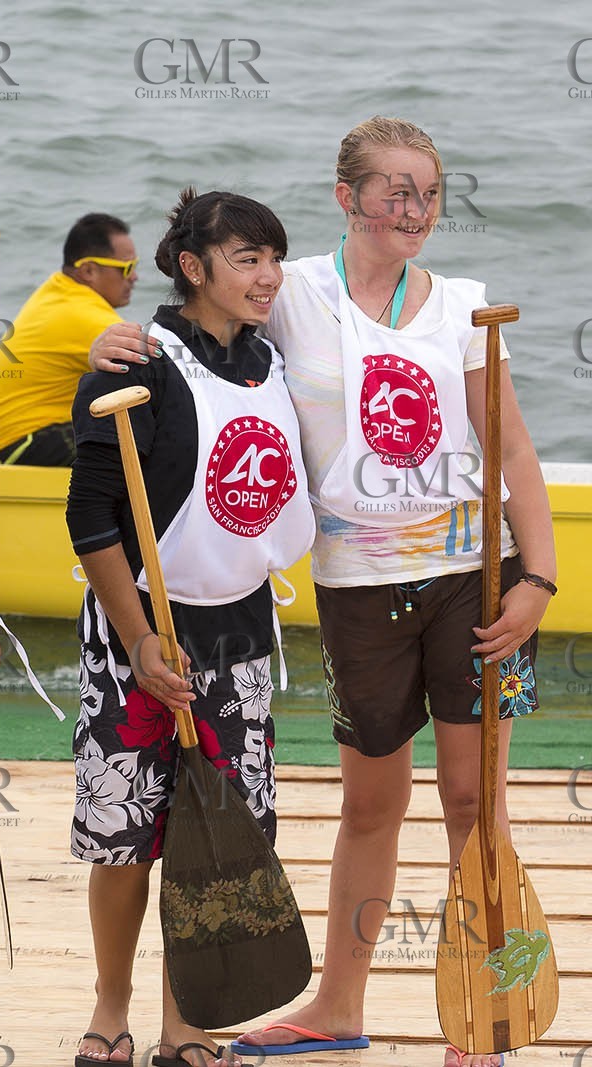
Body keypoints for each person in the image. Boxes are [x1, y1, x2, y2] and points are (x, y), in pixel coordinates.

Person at [91, 118, 556, 1067]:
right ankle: (338, 1004)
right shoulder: (291, 290)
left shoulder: (461, 306)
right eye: (392, 189)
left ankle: (485, 1009)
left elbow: (511, 451)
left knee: (476, 800)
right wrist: (109, 340)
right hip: (356, 590)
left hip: (472, 582)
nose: (413, 208)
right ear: (345, 197)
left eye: (427, 190)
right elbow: (192, 327)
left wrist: (539, 577)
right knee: (370, 805)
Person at [66, 189, 309, 1067]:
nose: (268, 276)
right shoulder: (135, 362)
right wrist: (137, 641)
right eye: (247, 258)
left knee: (218, 834)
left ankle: (187, 1018)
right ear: (193, 267)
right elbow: (89, 520)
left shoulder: (272, 358)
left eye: (275, 258)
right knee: (125, 836)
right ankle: (110, 1005)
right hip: (138, 629)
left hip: (238, 634)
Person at [0, 212, 138, 466]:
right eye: (127, 268)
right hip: (19, 446)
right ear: (88, 270)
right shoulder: (83, 315)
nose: (134, 277)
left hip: (4, 446)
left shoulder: (58, 291)